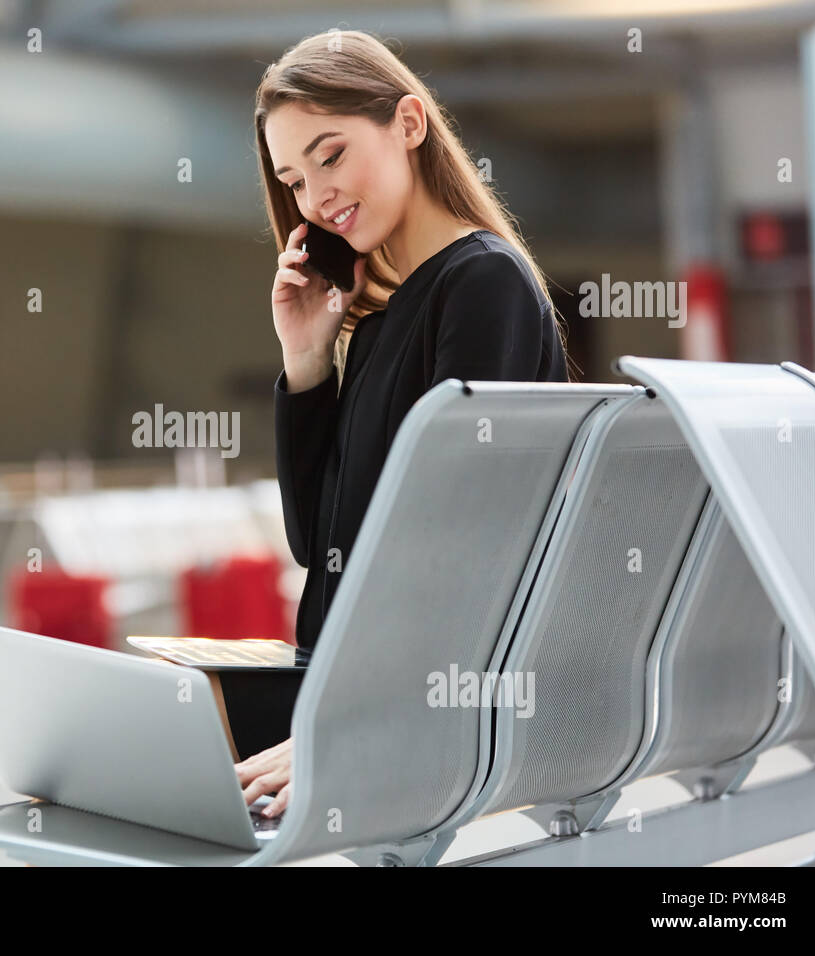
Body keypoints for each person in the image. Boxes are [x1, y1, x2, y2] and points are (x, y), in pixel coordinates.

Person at [229, 29, 573, 821]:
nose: (315, 198)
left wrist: (342, 729)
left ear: (409, 124)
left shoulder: (482, 284)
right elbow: (319, 545)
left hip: (414, 707)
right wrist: (308, 359)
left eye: (331, 155)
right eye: (292, 178)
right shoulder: (383, 317)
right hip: (339, 685)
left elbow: (469, 554)